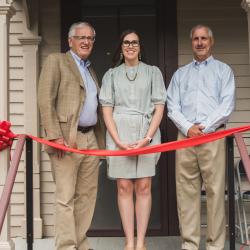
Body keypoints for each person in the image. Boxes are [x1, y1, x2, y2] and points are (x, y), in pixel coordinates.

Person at [167, 24, 235, 250]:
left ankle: (215, 245)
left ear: (211, 41)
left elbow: (226, 106)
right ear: (191, 42)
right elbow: (172, 106)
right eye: (196, 38)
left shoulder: (223, 71)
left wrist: (204, 128)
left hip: (213, 136)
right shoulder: (180, 74)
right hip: (185, 138)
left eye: (204, 38)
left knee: (216, 192)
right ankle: (190, 244)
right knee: (186, 192)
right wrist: (188, 128)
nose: (199, 42)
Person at [38, 22, 104, 250]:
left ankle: (80, 241)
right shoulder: (56, 61)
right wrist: (55, 136)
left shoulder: (89, 69)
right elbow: (45, 100)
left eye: (90, 38)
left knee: (86, 196)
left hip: (90, 139)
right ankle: (66, 246)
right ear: (70, 41)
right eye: (81, 37)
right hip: (66, 139)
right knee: (65, 197)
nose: (86, 41)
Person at [99, 29, 167, 250]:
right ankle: (129, 241)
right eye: (126, 42)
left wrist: (148, 138)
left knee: (144, 186)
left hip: (146, 132)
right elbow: (107, 110)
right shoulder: (111, 75)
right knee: (124, 187)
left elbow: (159, 107)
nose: (130, 46)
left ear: (140, 46)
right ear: (121, 47)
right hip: (119, 133)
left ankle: (141, 242)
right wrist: (117, 140)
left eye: (135, 42)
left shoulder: (153, 72)